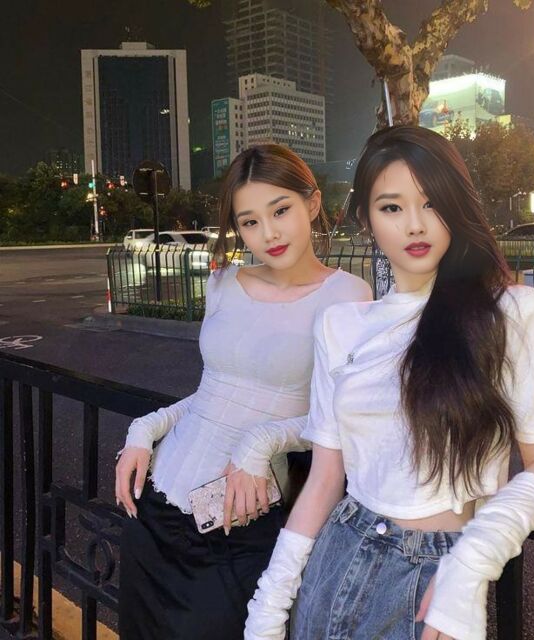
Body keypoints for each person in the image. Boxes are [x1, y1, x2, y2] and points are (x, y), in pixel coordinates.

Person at [244, 125, 534, 640]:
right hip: (336, 558)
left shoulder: (510, 313)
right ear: (366, 219)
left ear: (456, 206)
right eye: (392, 207)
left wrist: (471, 564)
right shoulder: (340, 325)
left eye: (431, 203)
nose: (415, 225)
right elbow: (326, 477)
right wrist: (270, 601)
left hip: (434, 583)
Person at [114, 144, 372, 640]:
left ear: (312, 204)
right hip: (154, 511)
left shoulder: (349, 296)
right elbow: (213, 394)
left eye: (281, 211)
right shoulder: (224, 284)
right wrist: (145, 429)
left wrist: (262, 442)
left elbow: (341, 422)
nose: (268, 233)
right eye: (250, 221)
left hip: (241, 525)